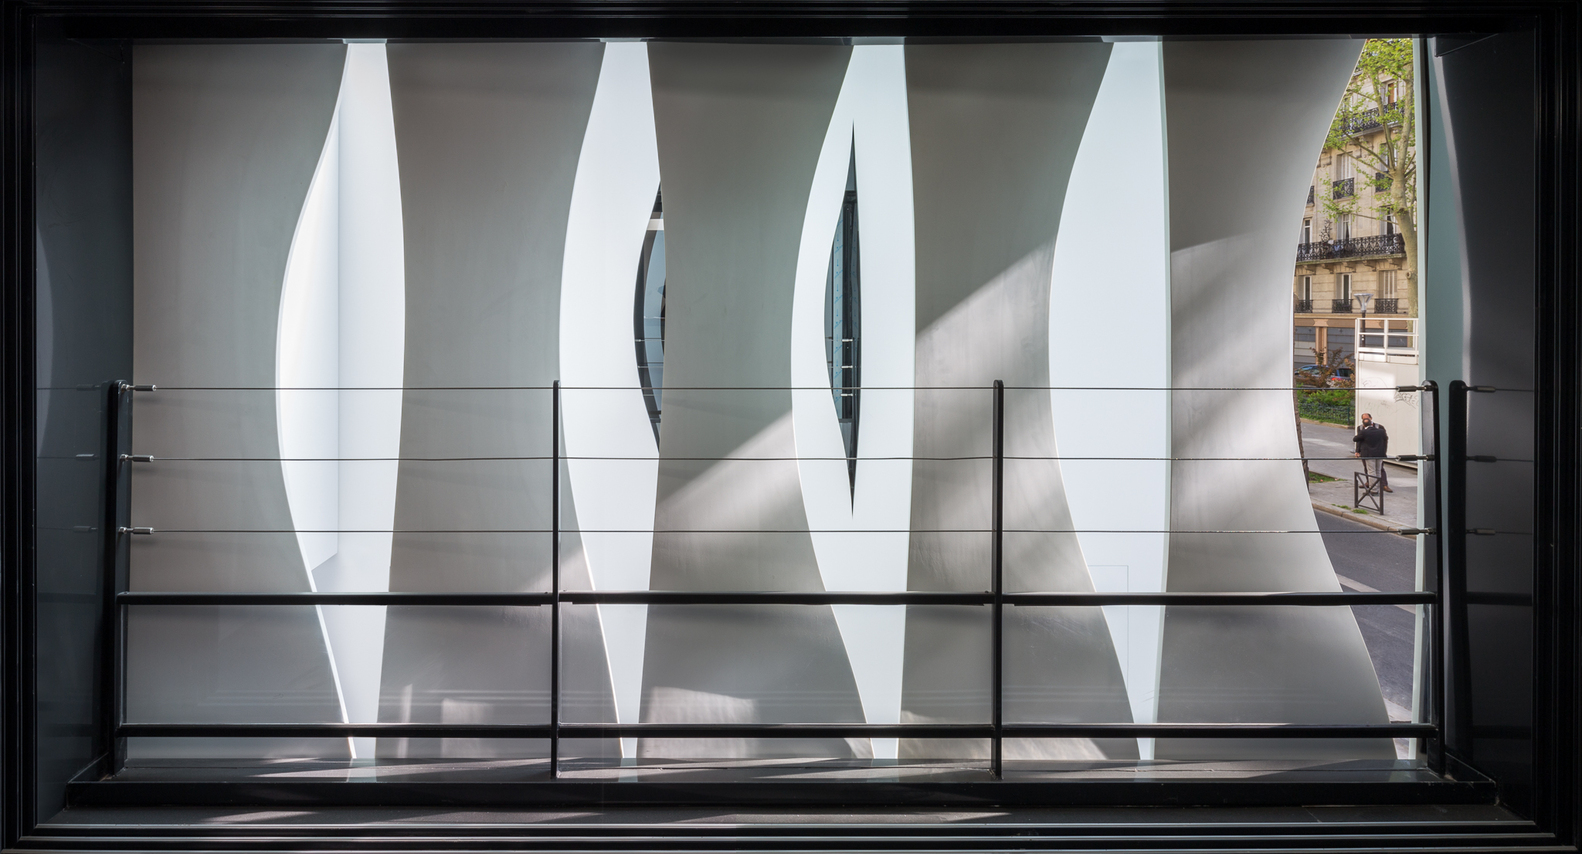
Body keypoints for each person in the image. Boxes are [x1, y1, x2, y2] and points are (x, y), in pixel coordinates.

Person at [1353, 412, 1391, 492]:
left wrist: (1384, 450)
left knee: (1374, 470)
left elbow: (1356, 439)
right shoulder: (1379, 431)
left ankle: (1377, 487)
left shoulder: (1378, 427)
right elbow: (1385, 439)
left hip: (1369, 453)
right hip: (1377, 453)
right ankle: (1371, 484)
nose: (1365, 419)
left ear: (1371, 418)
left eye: (1367, 418)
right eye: (1364, 418)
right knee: (1373, 469)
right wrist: (1357, 450)